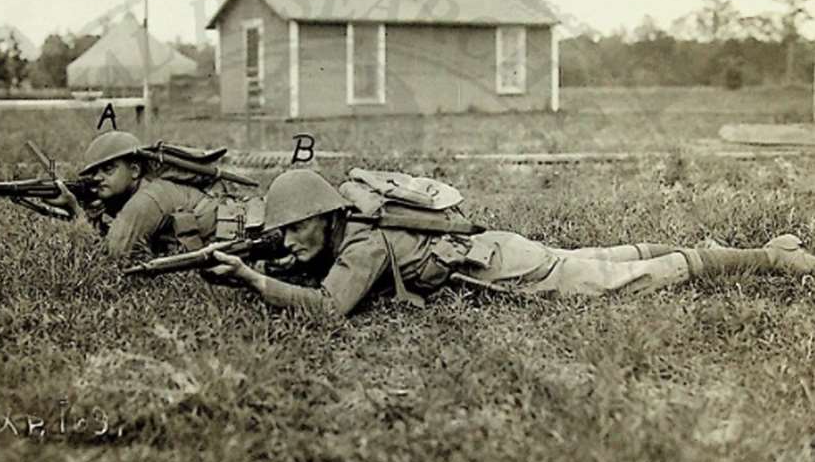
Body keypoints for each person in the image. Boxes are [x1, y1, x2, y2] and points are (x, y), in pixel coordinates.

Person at [209, 169, 815, 316]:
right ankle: (747, 248)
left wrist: (252, 279)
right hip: (498, 245)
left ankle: (770, 258)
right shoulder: (355, 229)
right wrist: (279, 261)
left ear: (327, 217)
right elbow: (317, 271)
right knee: (601, 257)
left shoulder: (362, 248)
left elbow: (328, 308)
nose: (287, 239)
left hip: (501, 265)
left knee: (618, 279)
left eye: (294, 227)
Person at [46, 130, 219, 262]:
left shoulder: (145, 201)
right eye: (93, 172)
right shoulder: (151, 189)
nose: (98, 178)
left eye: (108, 169)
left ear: (135, 170)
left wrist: (75, 210)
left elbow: (107, 262)